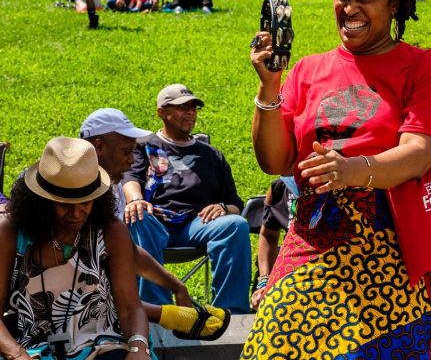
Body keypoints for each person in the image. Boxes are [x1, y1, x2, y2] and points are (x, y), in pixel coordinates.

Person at [244, 0, 431, 358]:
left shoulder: (426, 67)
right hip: (313, 236)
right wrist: (270, 86)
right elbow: (274, 161)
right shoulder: (308, 70)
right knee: (273, 346)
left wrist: (351, 171)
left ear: (395, 4)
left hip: (397, 243)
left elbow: (419, 152)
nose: (350, 9)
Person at [79, 108, 230, 339]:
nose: (131, 161)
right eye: (127, 152)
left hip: (111, 313)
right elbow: (95, 299)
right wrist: (168, 315)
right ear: (99, 147)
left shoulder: (112, 189)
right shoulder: (70, 190)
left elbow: (127, 251)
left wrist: (177, 286)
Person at [0, 137, 153, 360]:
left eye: (85, 202)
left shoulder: (110, 230)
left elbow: (131, 307)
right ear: (41, 201)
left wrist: (139, 348)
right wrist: (18, 355)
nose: (77, 212)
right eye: (64, 204)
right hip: (30, 350)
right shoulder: (11, 233)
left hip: (104, 345)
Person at [122, 84, 251, 314]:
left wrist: (223, 207)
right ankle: (159, 311)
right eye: (182, 107)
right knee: (139, 216)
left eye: (193, 107)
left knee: (236, 225)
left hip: (195, 225)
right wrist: (135, 200)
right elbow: (129, 177)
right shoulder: (144, 146)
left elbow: (235, 204)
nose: (190, 112)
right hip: (155, 222)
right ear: (162, 111)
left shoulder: (211, 156)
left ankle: (230, 313)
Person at [249, 176, 298, 310]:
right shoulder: (279, 187)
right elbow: (268, 235)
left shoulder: (334, 181)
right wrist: (264, 281)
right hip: (291, 265)